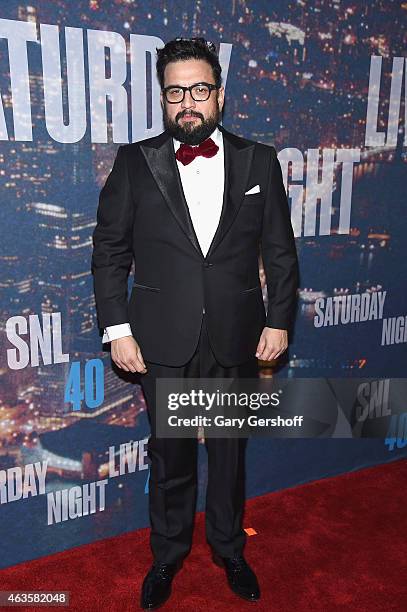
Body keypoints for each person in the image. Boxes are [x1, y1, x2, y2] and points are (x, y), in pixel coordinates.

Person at [91, 37, 299, 610]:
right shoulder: (135, 162)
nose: (188, 101)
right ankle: (167, 556)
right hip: (163, 338)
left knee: (229, 451)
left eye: (199, 89)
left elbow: (280, 251)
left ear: (220, 94)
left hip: (237, 332)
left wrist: (279, 320)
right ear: (163, 98)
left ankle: (230, 549)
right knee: (172, 455)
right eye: (175, 91)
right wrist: (118, 329)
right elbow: (110, 250)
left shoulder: (260, 160)